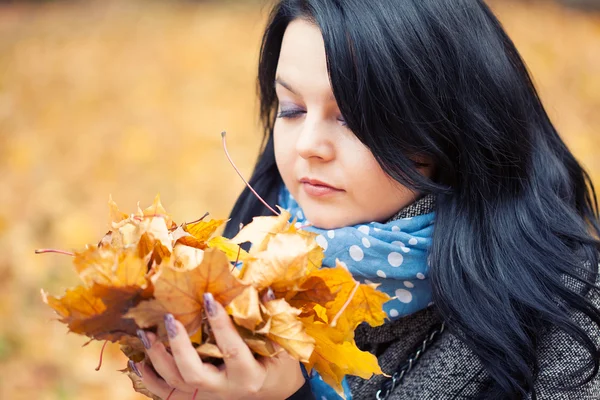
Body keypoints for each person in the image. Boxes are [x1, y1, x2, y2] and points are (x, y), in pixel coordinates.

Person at [132, 0, 600, 398]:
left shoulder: (568, 311)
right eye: (292, 109)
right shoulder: (246, 258)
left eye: (353, 117)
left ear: (448, 127)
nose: (307, 145)